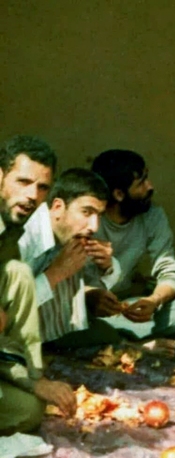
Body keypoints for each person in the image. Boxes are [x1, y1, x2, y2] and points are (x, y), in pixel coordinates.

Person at [0, 135, 75, 432]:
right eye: (23, 181)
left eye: (42, 187)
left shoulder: (9, 232)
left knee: (18, 273)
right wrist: (33, 382)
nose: (32, 195)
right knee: (29, 409)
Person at [90, 149, 175, 354]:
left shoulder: (152, 215)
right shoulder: (89, 220)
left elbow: (170, 270)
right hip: (87, 310)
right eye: (141, 182)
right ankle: (123, 342)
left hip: (125, 309)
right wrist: (89, 297)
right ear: (118, 194)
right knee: (77, 324)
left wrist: (154, 300)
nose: (150, 186)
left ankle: (111, 340)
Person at [19, 168, 121, 347]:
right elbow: (10, 305)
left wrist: (107, 266)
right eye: (87, 212)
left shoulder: (72, 233)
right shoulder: (24, 236)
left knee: (109, 338)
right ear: (58, 207)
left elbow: (98, 278)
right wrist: (56, 273)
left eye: (99, 215)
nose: (94, 226)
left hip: (58, 329)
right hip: (15, 336)